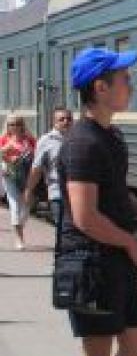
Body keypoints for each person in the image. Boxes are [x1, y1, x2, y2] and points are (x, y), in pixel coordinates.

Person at [58, 48, 137, 356]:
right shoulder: (82, 143)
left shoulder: (111, 137)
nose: (130, 86)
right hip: (91, 261)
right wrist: (128, 242)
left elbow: (115, 192)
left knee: (135, 344)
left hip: (114, 258)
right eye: (124, 80)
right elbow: (84, 216)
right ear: (100, 88)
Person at [24, 107, 72, 230]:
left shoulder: (77, 139)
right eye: (62, 119)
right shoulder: (46, 141)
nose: (66, 122)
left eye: (69, 119)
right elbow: (37, 168)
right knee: (63, 228)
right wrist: (29, 190)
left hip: (77, 191)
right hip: (57, 192)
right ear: (54, 123)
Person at [1, 114, 37, 250]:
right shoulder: (4, 139)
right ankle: (19, 238)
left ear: (22, 125)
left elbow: (38, 156)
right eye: (11, 124)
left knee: (27, 208)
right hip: (9, 176)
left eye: (17, 124)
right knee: (15, 205)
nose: (14, 127)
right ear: (8, 126)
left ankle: (18, 226)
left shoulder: (30, 140)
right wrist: (6, 155)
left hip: (28, 177)